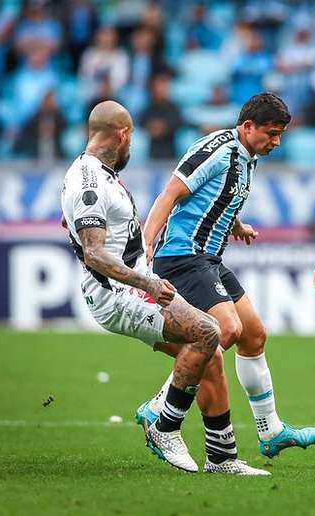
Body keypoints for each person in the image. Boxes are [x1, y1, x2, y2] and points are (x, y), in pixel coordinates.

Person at [142, 92, 315, 459]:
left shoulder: (248, 156)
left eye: (281, 135)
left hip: (209, 258)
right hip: (182, 257)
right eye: (271, 134)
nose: (276, 142)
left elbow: (220, 195)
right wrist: (144, 247)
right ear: (247, 126)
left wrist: (236, 225)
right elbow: (171, 193)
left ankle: (270, 431)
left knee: (254, 335)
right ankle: (159, 407)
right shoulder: (219, 149)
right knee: (225, 330)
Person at [60, 100, 223, 473]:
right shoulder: (90, 182)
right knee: (206, 332)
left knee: (209, 353)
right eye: (132, 138)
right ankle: (163, 424)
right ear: (123, 134)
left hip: (133, 285)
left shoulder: (97, 173)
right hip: (117, 294)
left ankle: (222, 458)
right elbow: (95, 255)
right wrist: (148, 280)